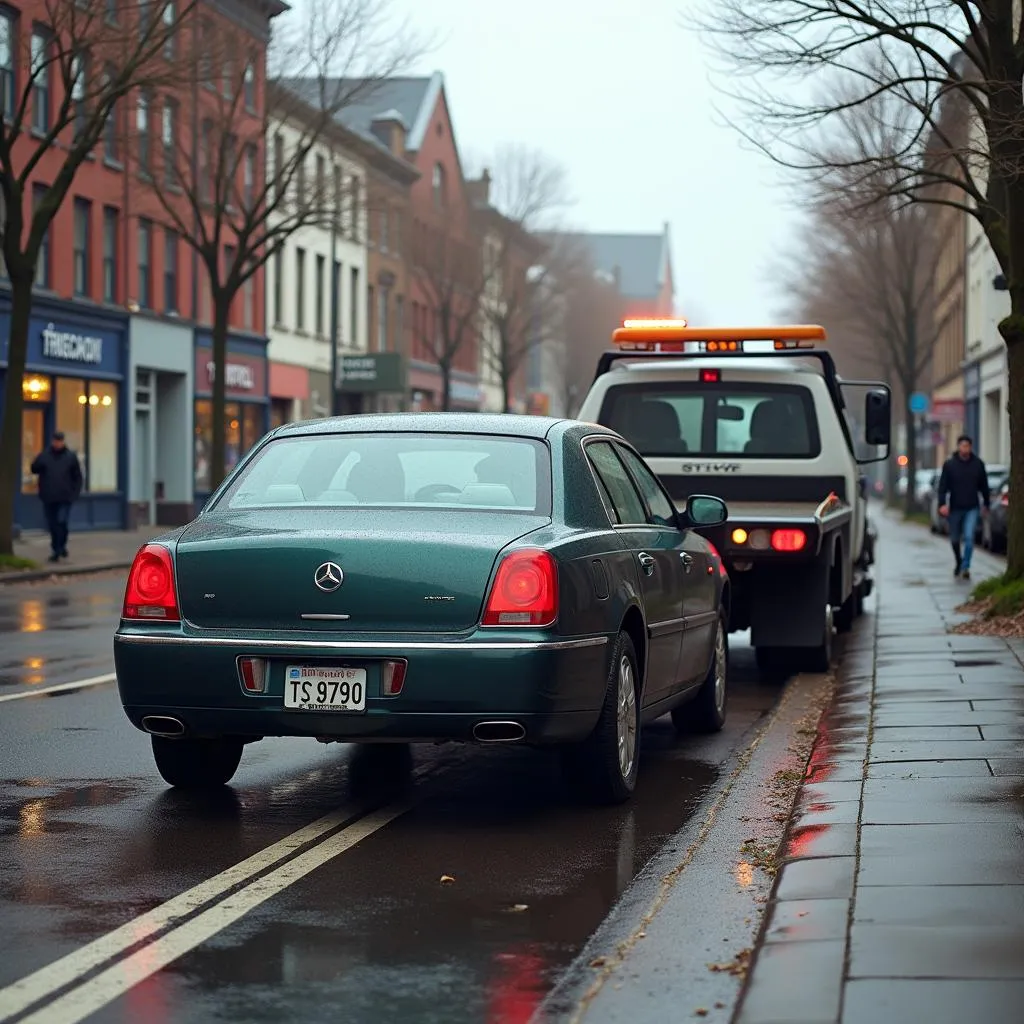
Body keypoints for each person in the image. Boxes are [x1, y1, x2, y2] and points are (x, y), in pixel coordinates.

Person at [937, 434, 990, 580]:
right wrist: (942, 504)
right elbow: (943, 487)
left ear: (971, 447)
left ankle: (966, 566)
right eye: (962, 445)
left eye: (967, 446)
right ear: (958, 447)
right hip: (955, 508)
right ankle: (958, 561)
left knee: (969, 537)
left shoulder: (978, 464)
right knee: (954, 539)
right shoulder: (950, 465)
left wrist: (986, 503)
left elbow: (984, 486)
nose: (965, 448)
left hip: (972, 507)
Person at [31, 431, 83, 563]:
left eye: (59, 441)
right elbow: (34, 468)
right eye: (55, 441)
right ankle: (56, 549)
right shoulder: (45, 455)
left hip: (65, 497)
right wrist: (38, 462)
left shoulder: (70, 457)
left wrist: (74, 493)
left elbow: (77, 477)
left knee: (62, 522)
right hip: (49, 497)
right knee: (52, 524)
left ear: (63, 442)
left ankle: (60, 547)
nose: (57, 443)